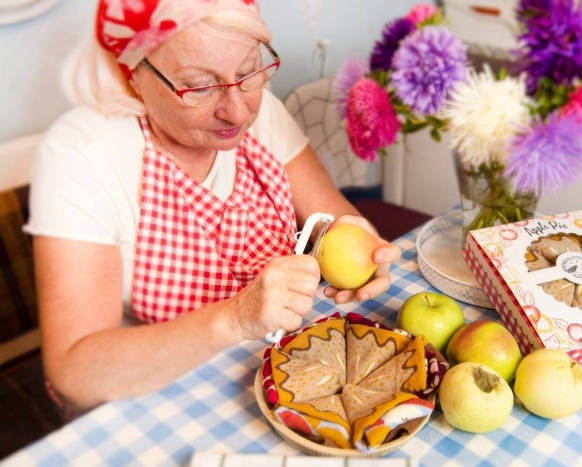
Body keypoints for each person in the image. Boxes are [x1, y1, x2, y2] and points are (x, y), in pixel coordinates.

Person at [25, 0, 400, 414]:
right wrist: (236, 318)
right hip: (156, 396)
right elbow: (77, 375)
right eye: (199, 86)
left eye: (247, 72)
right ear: (132, 74)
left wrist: (366, 247)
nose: (237, 111)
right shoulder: (84, 155)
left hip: (273, 373)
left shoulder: (263, 114)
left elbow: (337, 223)